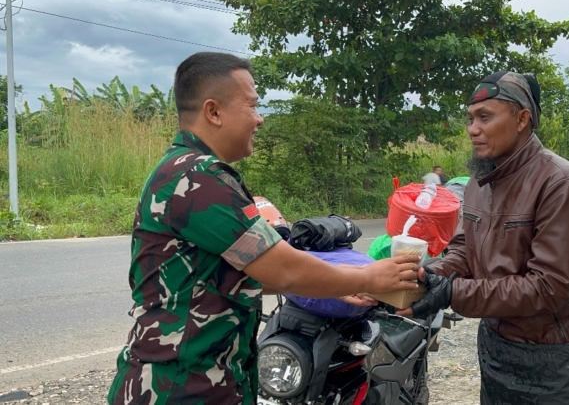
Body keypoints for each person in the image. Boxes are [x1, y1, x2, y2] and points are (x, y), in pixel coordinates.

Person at [107, 52, 421, 405]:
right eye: (253, 106)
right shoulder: (198, 178)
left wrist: (334, 287)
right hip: (179, 389)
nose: (260, 119)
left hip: (194, 382)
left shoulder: (187, 170)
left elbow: (240, 274)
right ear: (214, 112)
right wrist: (368, 278)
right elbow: (283, 267)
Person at [398, 71, 569, 404]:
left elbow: (549, 287)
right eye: (471, 118)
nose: (473, 129)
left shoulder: (562, 184)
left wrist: (451, 293)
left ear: (521, 119)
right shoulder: (479, 182)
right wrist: (430, 275)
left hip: (558, 362)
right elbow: (463, 253)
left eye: (485, 117)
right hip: (497, 350)